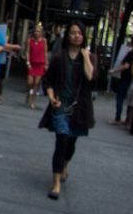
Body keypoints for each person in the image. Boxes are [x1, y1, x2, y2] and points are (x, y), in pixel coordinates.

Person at [38, 21, 97, 200]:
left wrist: (86, 56)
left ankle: (65, 165)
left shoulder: (90, 57)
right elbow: (47, 81)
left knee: (71, 144)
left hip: (79, 109)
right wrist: (51, 97)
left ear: (84, 36)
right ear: (67, 36)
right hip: (61, 107)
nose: (76, 36)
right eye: (72, 33)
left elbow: (91, 77)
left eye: (79, 33)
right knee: (62, 141)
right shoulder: (59, 57)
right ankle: (56, 183)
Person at [108, 36, 133, 125]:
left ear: (132, 43)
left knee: (120, 98)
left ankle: (117, 118)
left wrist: (114, 70)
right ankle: (128, 119)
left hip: (126, 78)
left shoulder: (131, 53)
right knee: (131, 100)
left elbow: (126, 66)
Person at [26, 23, 48, 110]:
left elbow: (45, 52)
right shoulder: (30, 40)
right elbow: (27, 51)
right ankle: (29, 92)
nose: (36, 33)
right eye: (35, 31)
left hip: (40, 64)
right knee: (30, 82)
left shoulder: (44, 41)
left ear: (41, 33)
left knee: (36, 83)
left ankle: (33, 101)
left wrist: (46, 63)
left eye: (38, 31)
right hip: (32, 63)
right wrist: (28, 62)